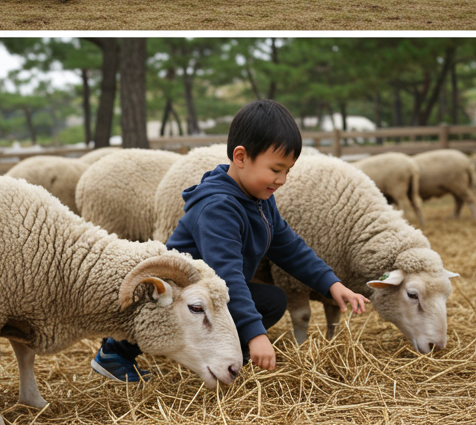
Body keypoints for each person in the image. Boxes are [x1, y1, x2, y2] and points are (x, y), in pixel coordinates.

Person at [91, 100, 369, 381]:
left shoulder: (260, 199)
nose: (282, 179)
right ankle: (116, 352)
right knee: (161, 313)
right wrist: (256, 334)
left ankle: (228, 353)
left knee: (273, 301)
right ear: (240, 157)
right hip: (179, 296)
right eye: (275, 169)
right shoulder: (218, 207)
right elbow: (228, 275)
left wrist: (331, 283)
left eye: (288, 170)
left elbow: (289, 246)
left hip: (210, 293)